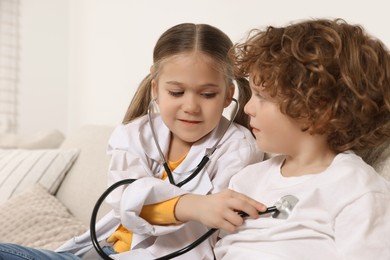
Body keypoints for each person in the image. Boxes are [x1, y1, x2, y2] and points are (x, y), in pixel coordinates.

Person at [0, 23, 263, 260]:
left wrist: (181, 207)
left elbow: (210, 226)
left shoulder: (238, 148)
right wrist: (192, 205)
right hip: (105, 250)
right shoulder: (134, 134)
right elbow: (126, 202)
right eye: (176, 92)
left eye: (207, 94)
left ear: (228, 94)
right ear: (155, 88)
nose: (191, 106)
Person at [174, 18, 390, 259]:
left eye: (262, 96)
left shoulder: (356, 189)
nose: (248, 109)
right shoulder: (247, 180)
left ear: (317, 108)